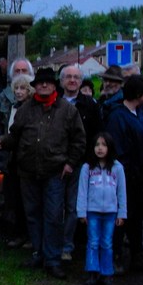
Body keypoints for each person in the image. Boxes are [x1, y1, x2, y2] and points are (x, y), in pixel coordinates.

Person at [0, 67, 86, 279]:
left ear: (55, 86)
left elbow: (79, 140)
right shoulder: (26, 108)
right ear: (35, 86)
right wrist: (2, 141)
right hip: (27, 171)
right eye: (40, 83)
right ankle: (38, 253)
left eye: (48, 83)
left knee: (53, 216)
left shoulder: (67, 110)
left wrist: (70, 163)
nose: (44, 85)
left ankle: (53, 259)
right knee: (32, 215)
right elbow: (14, 134)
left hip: (55, 172)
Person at [104, 74, 143, 274]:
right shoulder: (118, 116)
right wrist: (129, 172)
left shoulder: (140, 113)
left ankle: (137, 255)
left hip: (140, 177)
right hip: (125, 177)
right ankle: (115, 257)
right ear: (138, 94)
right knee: (121, 218)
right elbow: (117, 148)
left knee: (136, 218)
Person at [59, 64, 103, 261]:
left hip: (80, 163)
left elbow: (96, 134)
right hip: (54, 161)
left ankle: (67, 246)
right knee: (53, 206)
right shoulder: (53, 102)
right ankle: (51, 244)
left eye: (76, 77)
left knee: (73, 205)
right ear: (61, 80)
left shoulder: (90, 105)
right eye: (68, 76)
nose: (72, 80)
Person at [77, 132, 126, 285]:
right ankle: (92, 272)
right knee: (93, 242)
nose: (100, 148)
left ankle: (107, 273)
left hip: (110, 212)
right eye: (97, 145)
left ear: (109, 147)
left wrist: (122, 213)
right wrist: (81, 212)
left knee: (106, 243)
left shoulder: (117, 168)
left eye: (103, 145)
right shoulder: (87, 168)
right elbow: (82, 191)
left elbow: (121, 192)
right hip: (93, 211)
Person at [2, 74, 33, 249]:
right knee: (14, 199)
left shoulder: (30, 108)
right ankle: (18, 233)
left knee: (27, 200)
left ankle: (29, 235)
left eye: (23, 88)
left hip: (26, 158)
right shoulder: (12, 107)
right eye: (17, 88)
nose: (19, 92)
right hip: (12, 157)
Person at [0, 58, 35, 135]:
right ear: (12, 74)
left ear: (30, 73)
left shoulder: (37, 95)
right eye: (17, 71)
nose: (21, 73)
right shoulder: (4, 96)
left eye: (24, 70)